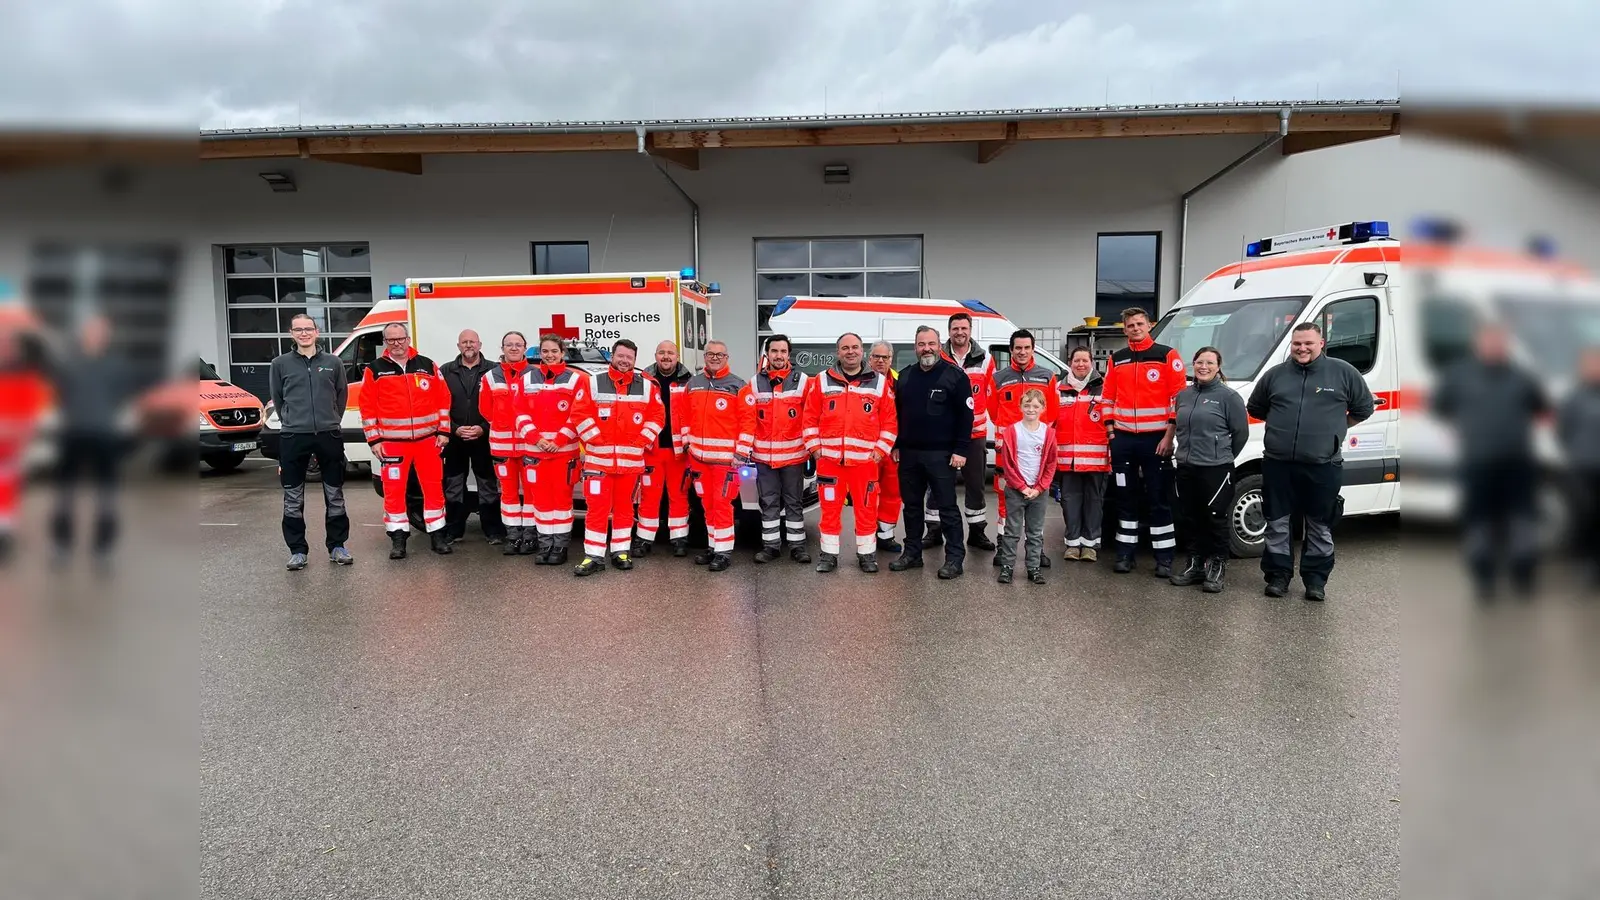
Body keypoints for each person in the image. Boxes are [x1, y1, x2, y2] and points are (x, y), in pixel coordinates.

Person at [1247, 322, 1375, 601]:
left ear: (1321, 344)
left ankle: (1315, 580)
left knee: (1319, 524)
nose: (1302, 348)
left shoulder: (1343, 372)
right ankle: (1278, 576)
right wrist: (1284, 425)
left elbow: (1364, 408)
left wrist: (1335, 429)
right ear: (1291, 345)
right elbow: (1256, 407)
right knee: (1277, 522)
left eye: (1308, 343)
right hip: (1278, 463)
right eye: (1297, 343)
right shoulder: (1275, 375)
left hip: (1323, 465)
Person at [1432, 322, 1549, 599]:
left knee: (1521, 519)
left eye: (1499, 342)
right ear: (1477, 344)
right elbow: (1441, 407)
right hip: (1478, 462)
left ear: (1506, 345)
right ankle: (1484, 577)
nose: (1494, 346)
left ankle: (1523, 574)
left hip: (1517, 462)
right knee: (1479, 521)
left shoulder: (1522, 377)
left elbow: (1540, 407)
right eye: (1489, 341)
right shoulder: (1458, 376)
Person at [1101, 307, 1186, 577]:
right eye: (1130, 325)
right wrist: (1112, 433)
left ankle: (1164, 558)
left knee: (1158, 498)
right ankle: (1125, 554)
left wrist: (1169, 435)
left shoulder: (1166, 355)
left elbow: (1178, 398)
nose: (1135, 328)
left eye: (1140, 324)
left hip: (1156, 440)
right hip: (1124, 440)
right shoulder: (1117, 359)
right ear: (1124, 329)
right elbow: (1107, 397)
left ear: (1150, 325)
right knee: (1125, 498)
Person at [803, 332, 898, 573]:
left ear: (862, 351)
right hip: (829, 462)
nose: (850, 352)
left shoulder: (879, 382)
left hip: (865, 463)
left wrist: (880, 451)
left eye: (855, 347)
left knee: (866, 510)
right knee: (829, 511)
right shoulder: (822, 380)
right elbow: (809, 418)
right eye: (845, 348)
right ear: (838, 352)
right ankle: (828, 555)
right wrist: (815, 449)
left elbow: (890, 422)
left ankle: (867, 555)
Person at [569, 339, 665, 576]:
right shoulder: (593, 382)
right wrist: (595, 438)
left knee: (625, 510)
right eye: (620, 356)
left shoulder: (647, 387)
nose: (624, 361)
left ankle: (620, 551)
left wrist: (641, 440)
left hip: (630, 465)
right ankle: (593, 556)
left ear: (635, 360)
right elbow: (578, 413)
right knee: (597, 511)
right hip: (598, 464)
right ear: (612, 356)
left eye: (629, 357)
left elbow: (657, 417)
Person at [360, 322, 452, 559]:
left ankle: (438, 536)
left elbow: (443, 398)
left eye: (400, 338)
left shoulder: (427, 365)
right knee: (393, 492)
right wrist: (374, 440)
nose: (396, 344)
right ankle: (398, 539)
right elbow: (367, 406)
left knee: (433, 488)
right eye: (391, 340)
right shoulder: (375, 369)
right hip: (392, 444)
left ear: (408, 339)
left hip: (428, 441)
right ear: (385, 342)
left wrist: (444, 431)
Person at [269, 313, 351, 570]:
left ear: (317, 332)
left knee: (335, 494)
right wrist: (292, 420)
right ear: (291, 334)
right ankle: (297, 550)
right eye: (298, 330)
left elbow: (342, 395)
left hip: (329, 435)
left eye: (308, 329)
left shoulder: (333, 362)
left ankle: (337, 546)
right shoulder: (279, 364)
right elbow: (278, 399)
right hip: (293, 436)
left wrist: (331, 419)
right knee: (293, 497)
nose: (303, 333)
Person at [890, 325, 974, 578]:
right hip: (910, 454)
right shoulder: (905, 376)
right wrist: (896, 444)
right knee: (912, 507)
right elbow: (896, 415)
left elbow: (966, 416)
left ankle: (955, 559)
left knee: (948, 508)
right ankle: (912, 553)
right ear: (915, 347)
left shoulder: (956, 376)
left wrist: (961, 450)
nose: (926, 349)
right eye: (921, 344)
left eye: (931, 344)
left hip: (942, 455)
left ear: (939, 345)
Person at [1167, 347, 1249, 593]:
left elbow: (1241, 433)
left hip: (1216, 468)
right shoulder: (1184, 395)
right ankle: (1195, 565)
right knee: (1190, 516)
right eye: (1200, 362)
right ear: (1193, 364)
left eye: (1210, 363)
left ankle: (1217, 566)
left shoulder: (1228, 397)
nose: (1204, 367)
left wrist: (1222, 455)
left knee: (1214, 517)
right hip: (1186, 465)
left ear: (1218, 367)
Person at [677, 340, 756, 572]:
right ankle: (713, 546)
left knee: (722, 505)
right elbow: (683, 416)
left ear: (726, 357)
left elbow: (748, 422)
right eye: (710, 354)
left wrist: (741, 453)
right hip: (699, 459)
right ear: (705, 357)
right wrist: (687, 444)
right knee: (707, 505)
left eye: (719, 355)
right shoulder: (693, 384)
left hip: (726, 461)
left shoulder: (739, 386)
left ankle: (723, 551)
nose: (714, 358)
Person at [514, 334, 589, 566]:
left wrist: (559, 439)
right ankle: (545, 544)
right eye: (545, 351)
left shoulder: (576, 380)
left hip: (563, 453)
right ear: (540, 353)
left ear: (562, 352)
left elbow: (579, 415)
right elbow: (519, 413)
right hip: (535, 452)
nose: (550, 355)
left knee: (562, 501)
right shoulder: (527, 379)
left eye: (554, 351)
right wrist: (536, 439)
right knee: (541, 501)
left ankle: (560, 547)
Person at [988, 329, 1059, 568]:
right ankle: (1003, 545)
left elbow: (1053, 412)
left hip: (1036, 451)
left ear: (1033, 349)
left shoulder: (1047, 376)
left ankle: (1035, 550)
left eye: (1027, 347)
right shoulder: (998, 378)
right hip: (1007, 451)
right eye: (1018, 348)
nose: (1022, 352)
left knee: (1036, 499)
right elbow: (993, 412)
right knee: (1005, 498)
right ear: (1011, 350)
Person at [927, 312, 996, 551]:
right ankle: (934, 531)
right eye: (955, 328)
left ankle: (977, 532)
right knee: (937, 484)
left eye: (963, 328)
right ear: (949, 331)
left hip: (974, 435)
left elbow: (991, 394)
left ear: (970, 330)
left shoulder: (985, 359)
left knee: (975, 485)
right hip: (942, 435)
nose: (959, 332)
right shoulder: (938, 356)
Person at [751, 334, 812, 564]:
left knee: (794, 502)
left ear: (789, 354)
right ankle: (771, 547)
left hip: (793, 457)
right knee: (768, 503)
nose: (778, 355)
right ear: (767, 355)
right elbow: (748, 419)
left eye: (783, 351)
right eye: (774, 351)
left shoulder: (802, 381)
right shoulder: (754, 382)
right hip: (764, 458)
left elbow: (811, 417)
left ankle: (797, 547)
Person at [439, 329, 503, 545]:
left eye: (472, 342)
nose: (469, 345)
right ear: (458, 346)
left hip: (483, 438)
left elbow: (500, 406)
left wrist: (483, 428)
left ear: (480, 345)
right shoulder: (446, 371)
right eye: (464, 342)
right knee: (453, 486)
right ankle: (453, 530)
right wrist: (454, 428)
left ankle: (493, 531)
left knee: (488, 485)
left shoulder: (494, 370)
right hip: (454, 439)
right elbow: (438, 405)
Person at [0, 309, 51, 564]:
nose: (5, 349)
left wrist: (17, 433)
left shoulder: (28, 378)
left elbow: (32, 415)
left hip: (12, 447)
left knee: (7, 496)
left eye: (9, 345)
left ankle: (5, 539)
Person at [635, 339, 694, 557]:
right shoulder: (642, 380)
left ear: (677, 356)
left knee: (679, 495)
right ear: (655, 356)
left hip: (679, 451)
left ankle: (679, 539)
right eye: (662, 352)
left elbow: (691, 414)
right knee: (649, 496)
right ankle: (644, 539)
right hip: (651, 449)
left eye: (670, 353)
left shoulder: (689, 381)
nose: (666, 356)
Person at [995, 389, 1059, 585]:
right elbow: (1008, 465)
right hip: (1016, 490)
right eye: (1027, 405)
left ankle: (1033, 568)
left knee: (1035, 532)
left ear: (1043, 408)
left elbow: (1051, 464)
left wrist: (1039, 488)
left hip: (1039, 491)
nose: (1031, 409)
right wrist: (1022, 487)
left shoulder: (1048, 433)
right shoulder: (1011, 431)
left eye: (1036, 406)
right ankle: (1007, 567)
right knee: (1012, 531)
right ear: (1020, 407)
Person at [1054, 346, 1109, 562]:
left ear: (1091, 362)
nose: (1080, 364)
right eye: (1076, 360)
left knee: (1094, 501)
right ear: (1070, 362)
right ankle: (1072, 544)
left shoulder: (1104, 387)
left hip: (1097, 459)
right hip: (1067, 459)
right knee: (1070, 501)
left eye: (1085, 360)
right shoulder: (1058, 388)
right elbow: (1051, 421)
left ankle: (1090, 546)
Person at [479, 331, 531, 556]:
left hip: (529, 446)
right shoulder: (490, 377)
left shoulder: (535, 375)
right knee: (508, 494)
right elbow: (485, 409)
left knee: (531, 493)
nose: (513, 348)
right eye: (509, 345)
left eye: (518, 344)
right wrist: (502, 424)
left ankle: (529, 536)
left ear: (525, 348)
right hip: (502, 447)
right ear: (502, 349)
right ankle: (513, 535)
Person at [1558, 345, 1600, 591]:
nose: (1594, 369)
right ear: (1582, 368)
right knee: (1585, 516)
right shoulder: (1573, 398)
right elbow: (1563, 431)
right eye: (1590, 364)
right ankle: (1587, 565)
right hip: (1583, 469)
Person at [868, 340, 904, 554]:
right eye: (877, 357)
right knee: (868, 493)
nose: (881, 361)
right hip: (867, 449)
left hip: (892, 449)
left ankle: (885, 536)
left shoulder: (900, 382)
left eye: (885, 357)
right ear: (869, 358)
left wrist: (899, 445)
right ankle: (866, 535)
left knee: (892, 492)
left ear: (891, 359)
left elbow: (905, 416)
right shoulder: (861, 381)